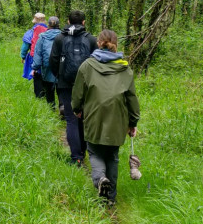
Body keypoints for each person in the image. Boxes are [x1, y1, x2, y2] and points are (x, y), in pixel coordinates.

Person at [72, 30, 140, 205]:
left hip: (94, 115)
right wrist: (133, 122)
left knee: (94, 152)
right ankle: (111, 198)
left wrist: (77, 109)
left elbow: (78, 92)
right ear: (116, 44)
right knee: (112, 156)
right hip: (118, 119)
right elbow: (131, 98)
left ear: (98, 43)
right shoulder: (125, 68)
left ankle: (100, 179)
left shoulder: (87, 65)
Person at [49, 10, 97, 166]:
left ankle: (76, 157)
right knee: (83, 118)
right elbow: (97, 63)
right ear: (83, 22)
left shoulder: (60, 38)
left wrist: (60, 76)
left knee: (71, 119)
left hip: (65, 84)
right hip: (86, 86)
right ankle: (83, 151)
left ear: (68, 21)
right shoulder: (91, 39)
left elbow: (53, 61)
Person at [31, 16, 62, 110]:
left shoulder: (42, 37)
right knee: (61, 88)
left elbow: (38, 53)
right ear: (59, 25)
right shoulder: (64, 36)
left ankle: (51, 108)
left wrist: (35, 67)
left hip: (47, 66)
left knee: (49, 89)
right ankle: (62, 106)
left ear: (48, 25)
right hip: (61, 66)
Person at [21, 13, 48, 96]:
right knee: (46, 74)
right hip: (47, 56)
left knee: (36, 74)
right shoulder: (49, 31)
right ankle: (46, 92)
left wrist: (23, 56)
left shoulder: (31, 32)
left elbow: (25, 46)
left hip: (35, 56)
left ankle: (39, 95)